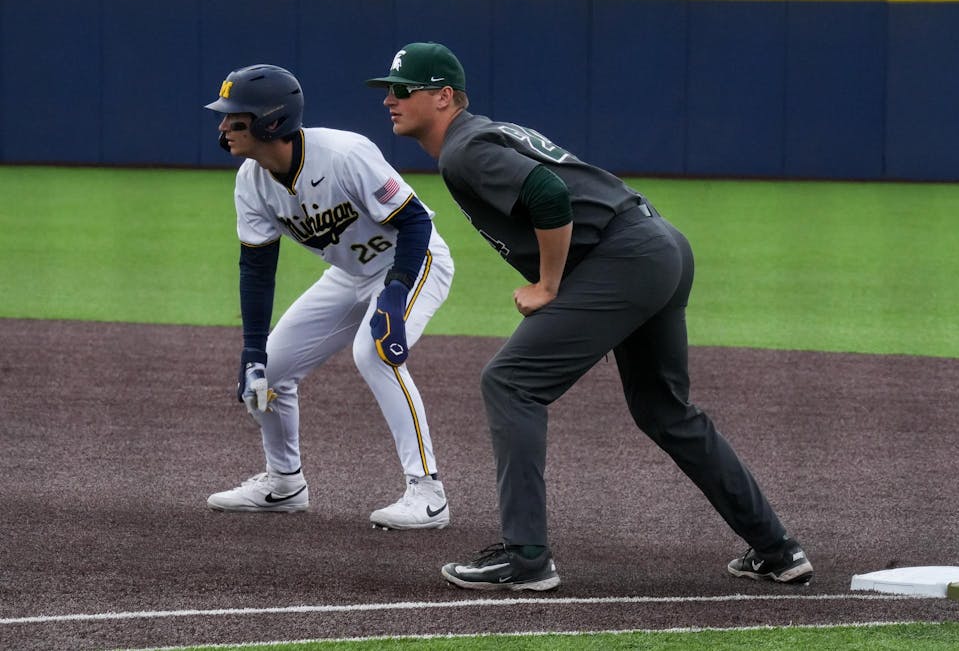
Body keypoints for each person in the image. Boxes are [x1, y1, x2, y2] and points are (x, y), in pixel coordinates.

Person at [366, 43, 814, 589]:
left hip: (624, 257)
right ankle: (778, 550)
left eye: (403, 90)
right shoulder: (481, 134)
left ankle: (526, 558)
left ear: (443, 98)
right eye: (387, 90)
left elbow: (549, 194)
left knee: (510, 383)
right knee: (663, 409)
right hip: (657, 244)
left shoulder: (464, 149)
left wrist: (549, 284)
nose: (389, 99)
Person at [203, 64, 454, 530]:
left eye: (234, 118)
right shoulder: (251, 181)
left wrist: (395, 295)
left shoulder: (344, 153)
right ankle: (284, 484)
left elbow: (415, 220)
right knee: (271, 371)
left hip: (413, 261)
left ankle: (428, 493)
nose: (222, 127)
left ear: (269, 122)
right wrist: (253, 348)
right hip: (349, 274)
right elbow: (256, 268)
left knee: (375, 353)